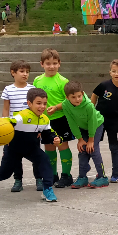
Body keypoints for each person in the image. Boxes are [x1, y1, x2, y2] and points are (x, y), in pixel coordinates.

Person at [0, 87, 59, 203]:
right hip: (13, 149)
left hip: (31, 148)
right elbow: (8, 122)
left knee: (44, 159)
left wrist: (55, 138)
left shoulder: (44, 119)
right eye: (38, 103)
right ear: (29, 103)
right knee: (3, 174)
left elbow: (48, 134)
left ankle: (47, 189)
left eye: (44, 103)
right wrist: (2, 133)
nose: (42, 107)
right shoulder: (21, 116)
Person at [33, 48, 75, 188]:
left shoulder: (63, 81)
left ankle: (66, 175)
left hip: (61, 119)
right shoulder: (37, 80)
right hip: (44, 121)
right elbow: (33, 99)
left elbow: (70, 100)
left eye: (54, 63)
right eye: (48, 63)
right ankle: (53, 174)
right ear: (42, 64)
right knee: (49, 148)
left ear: (59, 64)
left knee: (62, 146)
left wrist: (56, 107)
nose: (51, 66)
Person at [91, 59, 118, 183]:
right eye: (114, 71)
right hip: (99, 120)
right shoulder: (104, 85)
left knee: (114, 147)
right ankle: (98, 172)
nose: (116, 74)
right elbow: (94, 95)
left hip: (115, 122)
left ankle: (116, 173)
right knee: (93, 145)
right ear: (110, 72)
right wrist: (91, 111)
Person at [61, 81, 108, 188]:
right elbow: (71, 122)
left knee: (93, 149)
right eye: (73, 97)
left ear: (82, 93)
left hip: (96, 125)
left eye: (79, 96)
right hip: (83, 128)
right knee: (82, 149)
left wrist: (91, 140)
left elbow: (92, 122)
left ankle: (102, 177)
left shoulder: (88, 105)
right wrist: (80, 139)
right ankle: (82, 177)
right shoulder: (65, 105)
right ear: (67, 97)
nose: (77, 99)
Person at [1, 59, 35, 192]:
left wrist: (37, 128)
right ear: (13, 73)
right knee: (15, 156)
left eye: (27, 72)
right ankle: (18, 180)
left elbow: (35, 110)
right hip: (13, 129)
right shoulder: (8, 89)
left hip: (30, 129)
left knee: (35, 155)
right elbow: (6, 108)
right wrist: (5, 124)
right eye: (21, 71)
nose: (25, 74)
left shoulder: (32, 89)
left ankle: (38, 179)